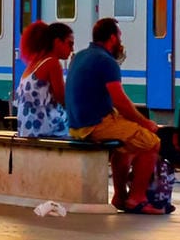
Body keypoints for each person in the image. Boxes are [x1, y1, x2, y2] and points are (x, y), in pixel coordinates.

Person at [65, 17, 167, 214]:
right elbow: (119, 100)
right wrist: (145, 122)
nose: (120, 41)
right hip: (95, 124)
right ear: (112, 38)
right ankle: (136, 198)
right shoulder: (107, 62)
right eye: (119, 36)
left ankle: (120, 197)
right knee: (152, 142)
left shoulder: (80, 56)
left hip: (78, 124)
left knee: (127, 146)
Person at [15, 21, 73, 138]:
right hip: (45, 128)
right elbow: (63, 99)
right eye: (69, 44)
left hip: (27, 128)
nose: (72, 49)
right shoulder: (52, 63)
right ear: (57, 42)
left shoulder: (34, 64)